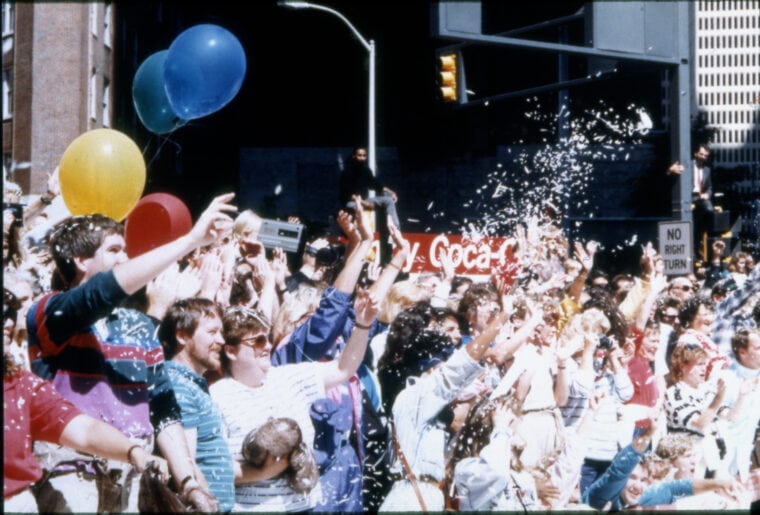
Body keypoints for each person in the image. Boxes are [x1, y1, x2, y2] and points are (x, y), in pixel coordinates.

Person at [26, 193, 236, 512]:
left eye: (125, 249)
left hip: (133, 480)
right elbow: (100, 293)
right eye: (114, 250)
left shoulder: (139, 325)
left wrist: (189, 481)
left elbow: (164, 409)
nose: (126, 259)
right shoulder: (49, 312)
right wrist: (191, 240)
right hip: (69, 475)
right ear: (80, 259)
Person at [210, 288, 378, 512]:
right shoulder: (218, 396)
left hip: (305, 508)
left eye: (267, 338)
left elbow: (343, 368)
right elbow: (214, 468)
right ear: (231, 351)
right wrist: (264, 472)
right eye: (258, 341)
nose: (268, 345)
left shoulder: (289, 377)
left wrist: (363, 324)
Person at [4, 287, 169, 513]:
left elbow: (83, 428)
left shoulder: (21, 385)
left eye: (8, 317)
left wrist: (134, 452)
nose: (7, 321)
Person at [158, 298, 236, 513]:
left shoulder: (191, 384)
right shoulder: (178, 385)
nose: (221, 340)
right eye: (212, 332)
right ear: (182, 335)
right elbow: (186, 460)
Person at [338, 146, 401, 230]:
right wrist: (365, 203)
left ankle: (395, 230)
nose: (362, 158)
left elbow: (375, 184)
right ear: (354, 156)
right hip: (351, 203)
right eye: (359, 155)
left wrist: (391, 192)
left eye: (364, 155)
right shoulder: (347, 172)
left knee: (388, 200)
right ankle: (360, 233)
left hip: (364, 201)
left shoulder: (365, 170)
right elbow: (348, 194)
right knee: (359, 208)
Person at [668, 142, 714, 250]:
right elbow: (671, 174)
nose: (703, 157)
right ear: (695, 153)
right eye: (701, 154)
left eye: (706, 156)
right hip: (687, 197)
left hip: (700, 198)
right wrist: (670, 170)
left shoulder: (707, 169)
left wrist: (707, 194)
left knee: (709, 209)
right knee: (690, 222)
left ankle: (702, 238)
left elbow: (710, 187)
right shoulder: (686, 165)